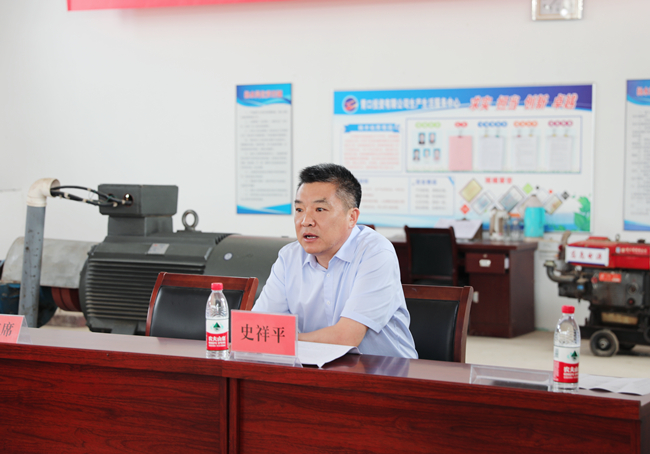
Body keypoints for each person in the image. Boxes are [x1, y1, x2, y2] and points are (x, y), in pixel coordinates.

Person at [253, 163, 417, 358]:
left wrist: (280, 340)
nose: (305, 221)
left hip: (386, 371)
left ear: (352, 217)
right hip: (313, 369)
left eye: (320, 209)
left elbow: (346, 338)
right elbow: (259, 328)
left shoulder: (376, 252)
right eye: (299, 209)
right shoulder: (289, 257)